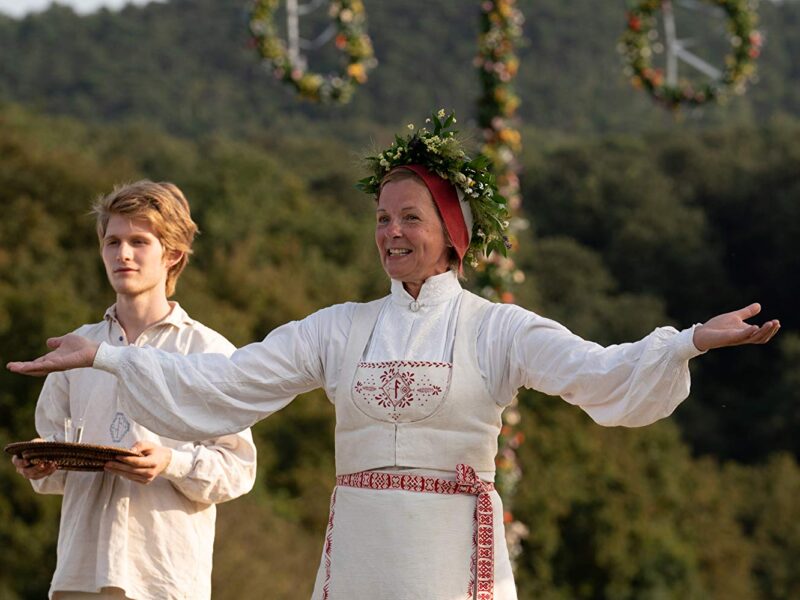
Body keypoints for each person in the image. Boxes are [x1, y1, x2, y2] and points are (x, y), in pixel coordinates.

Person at [8, 113, 779, 600]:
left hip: (454, 555)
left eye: (410, 216)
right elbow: (226, 382)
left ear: (452, 234)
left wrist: (686, 341)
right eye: (382, 218)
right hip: (362, 554)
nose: (391, 232)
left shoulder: (496, 329)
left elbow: (596, 372)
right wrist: (105, 360)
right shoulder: (339, 327)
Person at [9, 181, 257, 600]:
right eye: (112, 242)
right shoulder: (75, 348)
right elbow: (54, 467)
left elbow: (238, 469)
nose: (122, 254)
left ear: (173, 254)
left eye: (139, 242)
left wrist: (171, 463)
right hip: (79, 576)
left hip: (164, 578)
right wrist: (42, 462)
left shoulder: (208, 351)